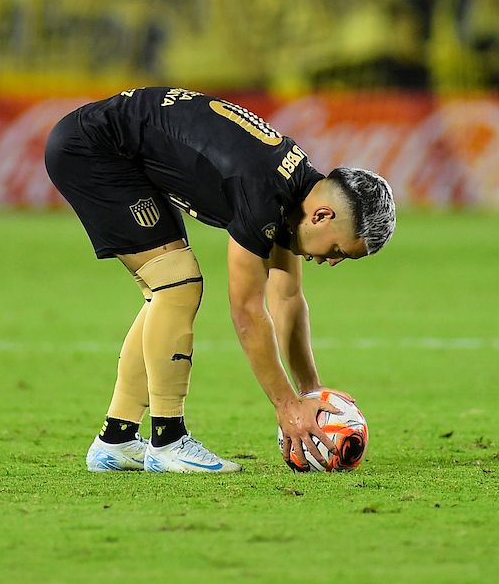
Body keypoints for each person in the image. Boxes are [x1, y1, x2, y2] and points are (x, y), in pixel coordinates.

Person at [43, 86, 395, 473]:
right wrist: (287, 406)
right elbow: (246, 310)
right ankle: (168, 441)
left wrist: (312, 392)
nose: (331, 261)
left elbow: (288, 298)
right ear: (323, 216)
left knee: (167, 289)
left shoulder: (294, 189)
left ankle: (116, 441)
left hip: (120, 153)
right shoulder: (263, 190)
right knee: (177, 284)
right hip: (93, 149)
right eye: (338, 251)